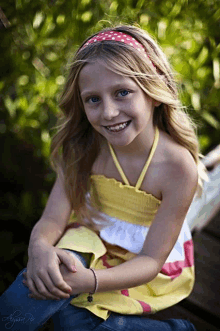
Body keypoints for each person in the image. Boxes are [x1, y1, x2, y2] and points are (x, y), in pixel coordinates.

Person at [0, 24, 207, 331]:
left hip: (143, 263)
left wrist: (92, 281)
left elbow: (151, 260)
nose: (109, 112)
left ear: (154, 91)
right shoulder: (83, 148)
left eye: (122, 93)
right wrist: (39, 246)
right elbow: (53, 220)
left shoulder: (177, 167)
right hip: (88, 239)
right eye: (93, 99)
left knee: (73, 320)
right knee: (52, 273)